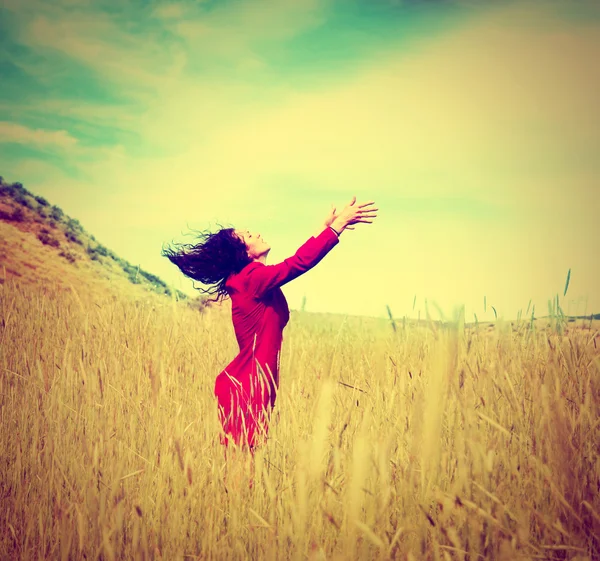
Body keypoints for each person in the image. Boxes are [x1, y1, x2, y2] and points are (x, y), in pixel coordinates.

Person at [163, 196, 377, 452]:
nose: (258, 233)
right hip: (248, 387)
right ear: (244, 252)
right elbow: (298, 263)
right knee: (244, 469)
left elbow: (293, 262)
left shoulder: (254, 281)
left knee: (248, 464)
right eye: (250, 235)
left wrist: (323, 229)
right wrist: (336, 227)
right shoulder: (251, 279)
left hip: (254, 383)